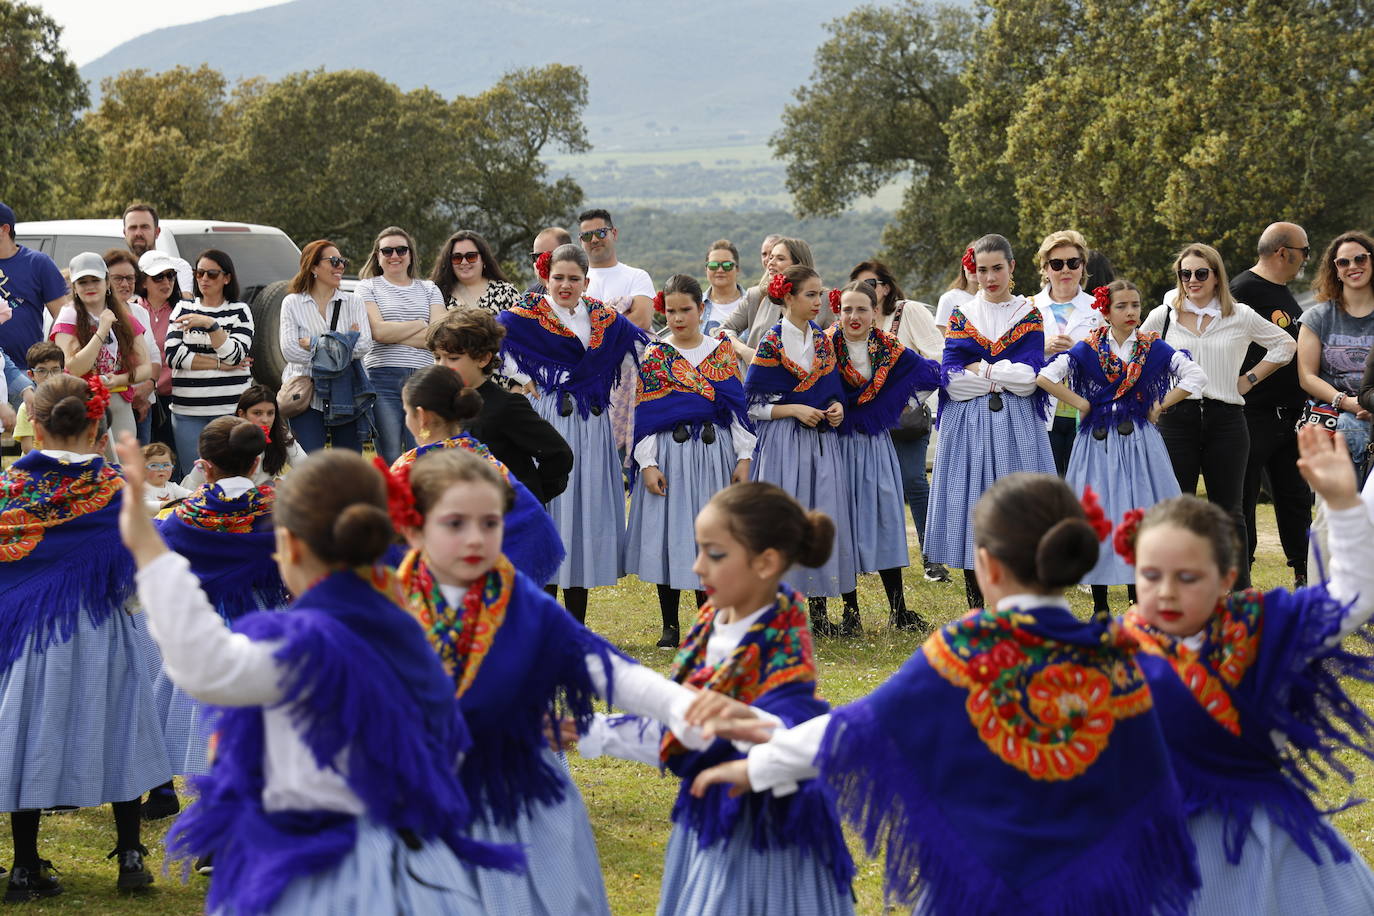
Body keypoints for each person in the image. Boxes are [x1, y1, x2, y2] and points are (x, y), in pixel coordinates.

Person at [690, 473, 1201, 916]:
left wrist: (758, 765)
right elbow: (1149, 786)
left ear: (987, 566)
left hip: (976, 894)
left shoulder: (965, 653)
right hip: (1093, 895)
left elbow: (865, 726)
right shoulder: (1114, 659)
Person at [120, 444, 520, 914]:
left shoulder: (302, 643)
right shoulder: (424, 624)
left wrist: (150, 551)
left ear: (291, 548)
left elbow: (206, 663)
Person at [391, 448, 717, 914]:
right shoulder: (385, 610)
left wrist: (684, 707)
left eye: (490, 523)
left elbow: (606, 670)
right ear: (413, 529)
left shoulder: (523, 605)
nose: (476, 538)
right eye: (455, 523)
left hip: (521, 803)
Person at [1119, 426, 1374, 913]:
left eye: (1187, 577)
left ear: (1226, 578)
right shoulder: (1111, 654)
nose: (1166, 592)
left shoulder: (1265, 630)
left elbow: (1353, 597)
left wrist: (1343, 505)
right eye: (1150, 576)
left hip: (1264, 846)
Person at [576, 482, 856, 915]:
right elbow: (685, 728)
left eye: (715, 554)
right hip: (706, 823)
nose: (697, 567)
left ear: (765, 563)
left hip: (766, 844)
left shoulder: (780, 647)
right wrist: (590, 731)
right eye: (699, 550)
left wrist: (750, 727)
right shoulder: (711, 623)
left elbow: (795, 735)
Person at [0, 375, 171, 899]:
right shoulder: (116, 491)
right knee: (120, 725)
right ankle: (132, 858)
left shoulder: (10, 489)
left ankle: (24, 867)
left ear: (36, 426)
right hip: (101, 625)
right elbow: (141, 565)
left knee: (29, 732)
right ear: (98, 429)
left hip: (29, 633)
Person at [143, 417, 286, 821]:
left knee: (188, 710)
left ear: (204, 465)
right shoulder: (279, 512)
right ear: (256, 461)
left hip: (199, 628)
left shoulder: (182, 517)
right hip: (262, 623)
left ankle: (178, 800)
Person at [497, 244, 649, 625]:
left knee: (582, 512)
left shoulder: (602, 316)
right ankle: (546, 621)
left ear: (586, 282)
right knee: (552, 509)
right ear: (546, 278)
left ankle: (576, 623)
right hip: (549, 417)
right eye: (558, 278)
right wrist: (523, 376)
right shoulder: (527, 313)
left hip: (593, 423)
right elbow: (495, 341)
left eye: (573, 279)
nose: (565, 285)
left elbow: (637, 345)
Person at [1036, 280, 1206, 615]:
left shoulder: (1152, 347)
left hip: (1139, 443)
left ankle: (1137, 606)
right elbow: (1045, 376)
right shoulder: (1088, 348)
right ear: (1106, 311)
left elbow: (1195, 376)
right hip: (1097, 443)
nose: (1131, 312)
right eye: (1122, 306)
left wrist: (1159, 405)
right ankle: (1100, 609)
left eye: (1135, 305)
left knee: (1139, 516)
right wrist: (1082, 403)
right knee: (1097, 517)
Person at [1139, 242, 1296, 591]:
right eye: (1185, 273)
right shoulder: (1163, 315)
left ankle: (1239, 594)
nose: (1192, 280)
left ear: (1216, 276)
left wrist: (1249, 378)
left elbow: (1286, 345)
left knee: (1230, 511)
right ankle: (1176, 591)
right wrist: (1154, 399)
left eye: (1200, 273)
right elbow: (1137, 355)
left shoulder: (1240, 314)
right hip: (1176, 420)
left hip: (1227, 419)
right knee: (1176, 509)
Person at [926, 234, 1056, 611]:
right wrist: (1002, 374)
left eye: (997, 268)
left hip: (1017, 427)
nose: (989, 277)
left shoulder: (1028, 314)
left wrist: (981, 368)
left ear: (1012, 267)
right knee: (972, 509)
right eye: (981, 270)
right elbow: (953, 382)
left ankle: (1019, 606)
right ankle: (977, 609)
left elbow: (1029, 378)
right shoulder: (962, 314)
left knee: (1018, 512)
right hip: (968, 426)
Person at [626, 275, 755, 648]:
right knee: (670, 534)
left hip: (715, 455)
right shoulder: (656, 355)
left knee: (710, 538)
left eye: (686, 309)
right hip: (670, 454)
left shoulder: (720, 352)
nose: (679, 318)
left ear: (701, 309)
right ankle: (670, 626)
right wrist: (647, 463)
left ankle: (709, 623)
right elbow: (645, 414)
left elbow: (736, 411)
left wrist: (744, 456)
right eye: (671, 311)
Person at [744, 264, 857, 636]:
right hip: (783, 443)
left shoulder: (822, 341)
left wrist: (837, 408)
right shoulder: (772, 343)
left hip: (820, 443)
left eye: (820, 293)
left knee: (819, 518)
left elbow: (833, 391)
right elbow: (752, 404)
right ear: (788, 297)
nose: (818, 301)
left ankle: (819, 614)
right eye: (810, 294)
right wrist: (792, 409)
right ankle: (778, 613)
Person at [829, 281, 941, 631]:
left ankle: (899, 610)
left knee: (886, 518)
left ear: (875, 311)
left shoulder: (889, 346)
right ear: (838, 312)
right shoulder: (825, 345)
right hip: (835, 443)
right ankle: (850, 614)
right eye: (847, 309)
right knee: (842, 522)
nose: (854, 316)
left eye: (862, 309)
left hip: (875, 443)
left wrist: (894, 407)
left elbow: (929, 374)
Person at [391, 364, 565, 586]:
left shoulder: (409, 467)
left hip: (433, 593)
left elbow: (386, 542)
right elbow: (534, 524)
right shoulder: (488, 462)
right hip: (492, 591)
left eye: (407, 412)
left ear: (422, 416)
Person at [849, 258, 948, 582]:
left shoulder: (909, 311)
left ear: (887, 287)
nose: (866, 290)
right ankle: (868, 558)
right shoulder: (853, 321)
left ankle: (933, 559)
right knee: (867, 486)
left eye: (872, 284)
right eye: (859, 285)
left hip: (908, 416)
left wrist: (903, 382)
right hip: (869, 420)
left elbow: (938, 355)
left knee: (913, 481)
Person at [1233, 222, 1313, 587]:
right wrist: (1246, 381)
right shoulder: (1243, 290)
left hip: (1290, 416)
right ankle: (1241, 579)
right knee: (1244, 496)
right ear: (1283, 252)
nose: (1306, 259)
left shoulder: (1282, 293)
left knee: (1295, 496)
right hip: (1253, 414)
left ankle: (1304, 572)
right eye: (1304, 251)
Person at [427, 310, 572, 505]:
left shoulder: (506, 405)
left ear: (483, 359)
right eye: (437, 357)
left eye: (452, 358)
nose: (442, 366)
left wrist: (530, 497)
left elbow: (558, 454)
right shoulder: (441, 404)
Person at [163, 248, 255, 478]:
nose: (204, 279)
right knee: (194, 477)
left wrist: (209, 325)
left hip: (230, 410)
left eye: (212, 274)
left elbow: (235, 356)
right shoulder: (183, 308)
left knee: (232, 474)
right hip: (187, 410)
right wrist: (219, 365)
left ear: (227, 278)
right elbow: (173, 355)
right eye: (199, 273)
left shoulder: (240, 311)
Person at [358, 226, 446, 464]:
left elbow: (439, 337)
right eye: (387, 251)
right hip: (382, 378)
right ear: (378, 256)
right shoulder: (367, 287)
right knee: (391, 455)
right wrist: (420, 323)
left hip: (424, 380)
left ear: (411, 254)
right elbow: (377, 332)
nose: (394, 256)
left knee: (423, 453)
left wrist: (391, 332)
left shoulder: (429, 289)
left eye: (401, 250)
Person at [279, 239, 373, 452]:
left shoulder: (354, 302)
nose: (340, 266)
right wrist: (344, 342)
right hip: (306, 395)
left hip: (347, 393)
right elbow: (290, 351)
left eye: (342, 261)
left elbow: (364, 345)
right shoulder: (292, 303)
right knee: (309, 462)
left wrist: (313, 344)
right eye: (334, 261)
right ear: (313, 267)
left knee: (347, 463)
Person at [51, 252, 153, 442]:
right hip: (80, 404)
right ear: (74, 288)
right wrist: (102, 330)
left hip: (119, 403)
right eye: (82, 282)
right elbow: (74, 368)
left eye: (95, 280)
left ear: (107, 283)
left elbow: (146, 368)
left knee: (122, 459)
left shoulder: (125, 319)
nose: (89, 286)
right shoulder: (67, 318)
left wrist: (118, 379)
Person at [1028, 230, 1105, 475]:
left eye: (1073, 263)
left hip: (1085, 407)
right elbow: (1012, 356)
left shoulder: (1098, 310)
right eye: (1056, 264)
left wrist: (1081, 351)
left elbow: (1111, 356)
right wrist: (1042, 348)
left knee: (1083, 484)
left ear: (1082, 267)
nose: (1065, 270)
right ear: (1045, 268)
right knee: (1046, 486)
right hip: (1041, 410)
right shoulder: (1028, 307)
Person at [721, 237, 835, 358]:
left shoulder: (824, 299)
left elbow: (833, 343)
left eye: (780, 259)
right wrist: (745, 352)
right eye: (771, 258)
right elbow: (722, 331)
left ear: (798, 265)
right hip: (758, 369)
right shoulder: (756, 295)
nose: (770, 263)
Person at [182, 386, 307, 489]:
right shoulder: (223, 438)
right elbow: (192, 485)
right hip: (223, 503)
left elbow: (306, 466)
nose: (265, 420)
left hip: (262, 503)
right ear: (242, 414)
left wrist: (280, 482)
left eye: (270, 413)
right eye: (257, 413)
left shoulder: (281, 435)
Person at [0, 201, 70, 372]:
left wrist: (56, 364)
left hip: (28, 370)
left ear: (4, 229)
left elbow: (64, 318)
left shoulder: (38, 263)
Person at [102, 249, 160, 444]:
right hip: (111, 402)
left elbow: (154, 355)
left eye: (130, 278)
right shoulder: (100, 314)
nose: (125, 284)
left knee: (140, 458)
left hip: (143, 402)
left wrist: (148, 387)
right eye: (118, 278)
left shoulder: (140, 312)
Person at [135, 249, 183, 449]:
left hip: (175, 397)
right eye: (158, 277)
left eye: (170, 275)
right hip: (139, 396)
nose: (166, 282)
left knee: (170, 458)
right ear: (143, 282)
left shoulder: (183, 311)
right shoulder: (131, 309)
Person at [579, 208, 653, 330]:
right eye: (587, 236)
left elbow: (642, 320)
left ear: (614, 233)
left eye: (601, 233)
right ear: (581, 241)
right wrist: (622, 318)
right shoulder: (574, 281)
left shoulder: (637, 277)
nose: (594, 240)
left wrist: (592, 328)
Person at [432, 230, 521, 315]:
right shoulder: (437, 295)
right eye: (457, 258)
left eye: (471, 257)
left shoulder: (506, 292)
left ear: (484, 259)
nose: (464, 262)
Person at [122, 202, 192, 295]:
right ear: (124, 233)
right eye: (133, 227)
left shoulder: (178, 267)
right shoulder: (116, 272)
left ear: (157, 232)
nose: (138, 233)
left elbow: (186, 300)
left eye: (144, 227)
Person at [11, 341, 64, 454]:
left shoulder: (68, 404)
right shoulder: (27, 408)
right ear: (31, 375)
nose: (49, 376)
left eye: (55, 370)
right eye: (42, 371)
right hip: (37, 462)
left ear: (62, 372)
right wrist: (51, 460)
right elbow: (27, 447)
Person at [701, 239, 747, 336]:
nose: (720, 270)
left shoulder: (753, 304)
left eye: (727, 265)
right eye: (713, 265)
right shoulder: (695, 305)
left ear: (737, 269)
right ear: (706, 269)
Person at [933, 240, 977, 333]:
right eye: (970, 260)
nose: (973, 267)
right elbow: (941, 336)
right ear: (963, 265)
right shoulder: (949, 299)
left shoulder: (997, 301)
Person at [140, 442, 191, 511]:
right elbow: (144, 505)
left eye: (166, 465)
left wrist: (195, 496)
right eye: (154, 465)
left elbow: (188, 494)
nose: (161, 469)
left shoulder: (172, 486)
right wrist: (164, 504)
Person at [525, 227, 572, 296]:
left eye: (548, 256)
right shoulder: (530, 296)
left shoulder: (583, 291)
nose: (541, 262)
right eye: (537, 257)